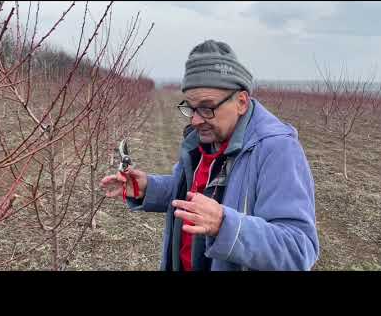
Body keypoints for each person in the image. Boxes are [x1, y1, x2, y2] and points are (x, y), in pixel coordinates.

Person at [100, 40, 319, 271]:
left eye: (206, 108)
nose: (195, 120)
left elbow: (299, 248)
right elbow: (193, 194)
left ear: (241, 102)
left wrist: (224, 226)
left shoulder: (276, 149)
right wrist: (148, 188)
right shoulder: (202, 141)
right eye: (191, 108)